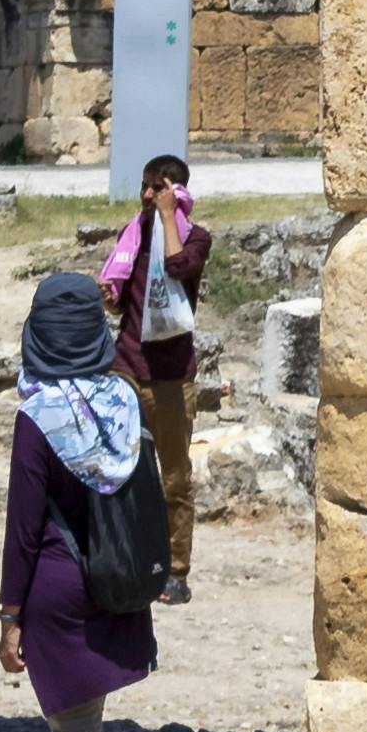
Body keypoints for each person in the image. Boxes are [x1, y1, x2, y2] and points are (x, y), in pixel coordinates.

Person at [0, 269, 162, 732]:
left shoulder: (38, 416)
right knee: (90, 730)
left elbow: (22, 528)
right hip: (119, 578)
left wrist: (10, 615)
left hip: (58, 588)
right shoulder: (125, 402)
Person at [97, 156, 211, 597]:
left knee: (174, 477)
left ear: (175, 191)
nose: (146, 195)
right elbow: (122, 298)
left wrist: (167, 217)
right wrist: (111, 293)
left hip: (171, 377)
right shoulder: (133, 235)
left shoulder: (195, 238)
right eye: (144, 186)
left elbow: (180, 269)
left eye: (156, 187)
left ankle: (176, 569)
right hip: (127, 366)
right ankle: (122, 558)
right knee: (116, 469)